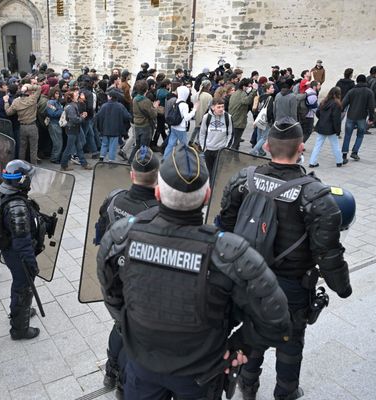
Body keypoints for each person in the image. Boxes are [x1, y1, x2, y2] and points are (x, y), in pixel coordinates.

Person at [97, 144, 291, 400]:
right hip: (201, 374)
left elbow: (110, 292)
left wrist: (129, 328)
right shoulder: (231, 253)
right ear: (208, 195)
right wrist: (239, 344)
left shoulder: (120, 237)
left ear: (157, 192)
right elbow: (277, 319)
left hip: (144, 365)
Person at [218, 118, 352, 400]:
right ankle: (286, 391)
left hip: (247, 281)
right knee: (290, 344)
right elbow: (327, 253)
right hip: (290, 289)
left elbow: (224, 230)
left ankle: (248, 386)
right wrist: (342, 287)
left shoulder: (243, 180)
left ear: (266, 146)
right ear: (301, 148)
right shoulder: (316, 195)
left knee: (251, 335)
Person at [94, 147, 159, 398]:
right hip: (141, 284)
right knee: (135, 335)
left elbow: (99, 236)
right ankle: (123, 382)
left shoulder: (114, 198)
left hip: (114, 277)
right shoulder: (158, 211)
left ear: (132, 174)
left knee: (119, 325)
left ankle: (110, 370)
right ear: (157, 177)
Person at [0, 160, 43, 339]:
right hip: (18, 255)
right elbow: (22, 242)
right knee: (23, 287)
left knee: (19, 284)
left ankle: (18, 311)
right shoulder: (17, 207)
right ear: (21, 181)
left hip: (11, 251)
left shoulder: (9, 196)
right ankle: (20, 329)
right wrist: (32, 265)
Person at [4, 83, 41, 165]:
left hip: (22, 127)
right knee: (33, 149)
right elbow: (39, 88)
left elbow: (8, 112)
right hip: (32, 126)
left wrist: (6, 102)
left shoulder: (16, 101)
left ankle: (21, 166)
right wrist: (28, 87)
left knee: (22, 148)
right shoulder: (33, 99)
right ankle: (34, 167)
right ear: (29, 91)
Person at [341, 74, 375, 162]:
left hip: (350, 116)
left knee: (347, 135)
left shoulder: (351, 91)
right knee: (360, 135)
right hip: (362, 117)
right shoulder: (369, 92)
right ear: (365, 81)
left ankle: (344, 154)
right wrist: (371, 118)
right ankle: (354, 152)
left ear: (357, 81)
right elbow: (371, 107)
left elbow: (343, 103)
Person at [308, 86, 344, 168]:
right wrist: (338, 130)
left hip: (321, 126)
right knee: (335, 145)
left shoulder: (324, 102)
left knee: (317, 145)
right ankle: (339, 161)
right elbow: (336, 119)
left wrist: (322, 119)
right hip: (331, 128)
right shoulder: (337, 104)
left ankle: (312, 162)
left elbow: (317, 112)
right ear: (338, 94)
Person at [198, 97, 233, 180]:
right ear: (213, 107)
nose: (221, 109)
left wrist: (226, 148)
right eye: (219, 107)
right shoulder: (206, 117)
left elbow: (231, 134)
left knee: (217, 172)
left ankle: (214, 187)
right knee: (210, 172)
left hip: (220, 150)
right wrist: (204, 148)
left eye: (222, 107)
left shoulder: (228, 117)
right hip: (208, 150)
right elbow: (202, 133)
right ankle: (211, 188)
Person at [95, 87, 131, 162]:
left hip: (105, 129)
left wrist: (100, 127)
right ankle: (111, 160)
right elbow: (127, 116)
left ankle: (101, 157)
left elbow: (98, 116)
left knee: (104, 143)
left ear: (110, 97)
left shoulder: (104, 106)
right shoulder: (120, 106)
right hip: (116, 130)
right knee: (113, 145)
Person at [60, 90, 92, 170]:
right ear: (71, 97)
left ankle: (84, 163)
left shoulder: (71, 105)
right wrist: (82, 117)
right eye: (75, 94)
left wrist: (80, 116)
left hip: (73, 129)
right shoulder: (71, 107)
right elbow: (74, 119)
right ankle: (64, 165)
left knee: (78, 147)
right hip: (72, 129)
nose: (77, 95)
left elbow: (74, 117)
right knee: (69, 148)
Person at [163, 85, 197, 159]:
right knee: (184, 145)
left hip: (173, 126)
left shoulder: (176, 101)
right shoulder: (184, 105)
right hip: (181, 128)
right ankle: (185, 160)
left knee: (171, 144)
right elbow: (187, 117)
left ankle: (165, 158)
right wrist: (194, 110)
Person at [228, 78, 257, 150]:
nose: (250, 88)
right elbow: (247, 101)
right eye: (249, 86)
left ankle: (234, 152)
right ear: (244, 86)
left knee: (234, 140)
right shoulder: (242, 93)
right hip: (239, 121)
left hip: (233, 119)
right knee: (236, 141)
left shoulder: (235, 93)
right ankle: (232, 155)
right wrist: (253, 91)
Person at [250, 81, 276, 157]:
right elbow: (269, 110)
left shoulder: (261, 97)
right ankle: (254, 150)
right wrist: (270, 120)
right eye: (271, 88)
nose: (273, 89)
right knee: (264, 137)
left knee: (259, 135)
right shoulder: (270, 98)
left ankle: (260, 151)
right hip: (266, 119)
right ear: (267, 89)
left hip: (259, 118)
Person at [191, 80, 213, 144]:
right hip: (205, 115)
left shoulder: (197, 94)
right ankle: (198, 142)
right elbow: (210, 107)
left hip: (197, 114)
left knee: (197, 127)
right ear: (208, 86)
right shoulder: (209, 96)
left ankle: (191, 140)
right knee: (202, 130)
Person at [46, 87, 64, 163]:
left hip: (57, 124)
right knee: (58, 142)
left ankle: (55, 157)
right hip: (54, 124)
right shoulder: (51, 102)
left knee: (58, 142)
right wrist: (61, 110)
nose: (58, 94)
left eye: (58, 93)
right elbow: (52, 114)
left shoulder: (56, 102)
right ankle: (54, 158)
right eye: (56, 93)